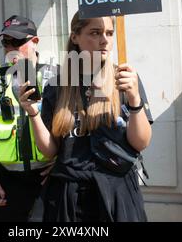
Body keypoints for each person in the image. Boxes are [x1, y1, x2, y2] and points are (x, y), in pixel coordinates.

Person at [18, 12, 153, 222]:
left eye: (109, 33)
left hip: (117, 192)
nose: (105, 40)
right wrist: (33, 113)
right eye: (95, 33)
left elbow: (141, 142)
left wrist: (134, 99)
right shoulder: (56, 86)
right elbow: (49, 151)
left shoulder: (125, 79)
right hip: (70, 197)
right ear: (75, 37)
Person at [0, 15, 55, 222]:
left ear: (35, 41)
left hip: (47, 178)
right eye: (6, 43)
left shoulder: (55, 77)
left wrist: (61, 161)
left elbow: (69, 127)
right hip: (8, 180)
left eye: (18, 42)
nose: (11, 48)